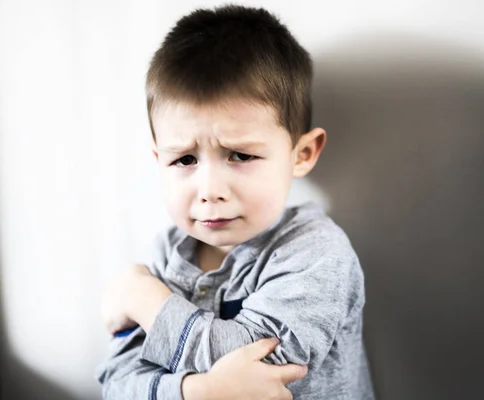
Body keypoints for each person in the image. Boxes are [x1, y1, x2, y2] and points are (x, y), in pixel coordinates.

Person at [96, 4, 375, 399]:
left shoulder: (315, 253)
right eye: (185, 159)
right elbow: (117, 383)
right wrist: (198, 392)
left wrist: (144, 300)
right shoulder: (164, 255)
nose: (210, 189)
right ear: (160, 160)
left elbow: (260, 370)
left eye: (240, 156)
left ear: (301, 154)